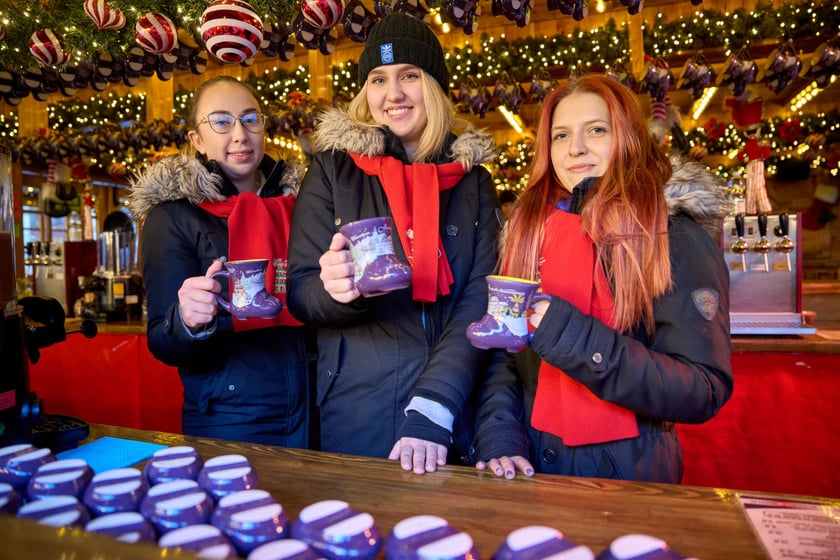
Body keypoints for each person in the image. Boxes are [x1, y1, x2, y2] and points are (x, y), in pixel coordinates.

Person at [471, 74, 733, 483]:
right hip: (531, 472)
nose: (575, 148)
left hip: (629, 477)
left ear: (627, 136)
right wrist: (499, 433)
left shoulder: (672, 234)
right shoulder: (529, 232)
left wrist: (567, 334)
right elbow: (506, 358)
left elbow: (702, 388)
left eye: (596, 130)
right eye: (560, 135)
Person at [286, 12, 499, 474]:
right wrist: (338, 293)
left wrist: (436, 403)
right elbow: (301, 290)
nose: (393, 94)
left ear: (435, 87)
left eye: (409, 75)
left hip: (454, 404)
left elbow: (481, 295)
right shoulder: (332, 170)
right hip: (359, 407)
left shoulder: (472, 181)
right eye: (378, 80)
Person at [128, 76, 309, 447]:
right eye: (222, 122)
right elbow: (161, 341)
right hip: (230, 415)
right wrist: (187, 320)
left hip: (314, 407)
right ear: (197, 139)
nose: (240, 134)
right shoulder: (174, 214)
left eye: (250, 119)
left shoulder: (301, 205)